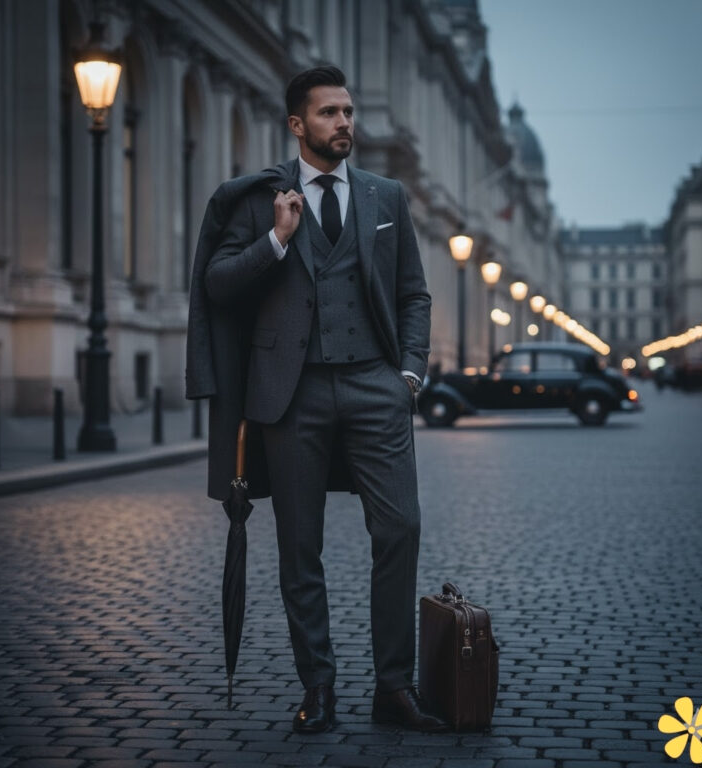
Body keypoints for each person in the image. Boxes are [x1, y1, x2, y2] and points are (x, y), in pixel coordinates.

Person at [188, 65, 444, 734]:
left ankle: (394, 687)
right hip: (289, 396)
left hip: (374, 387)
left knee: (400, 529)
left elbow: (414, 293)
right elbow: (216, 286)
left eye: (349, 112)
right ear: (298, 125)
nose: (345, 124)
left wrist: (409, 375)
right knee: (301, 548)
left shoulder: (386, 198)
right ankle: (319, 687)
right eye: (329, 113)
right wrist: (275, 240)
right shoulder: (258, 200)